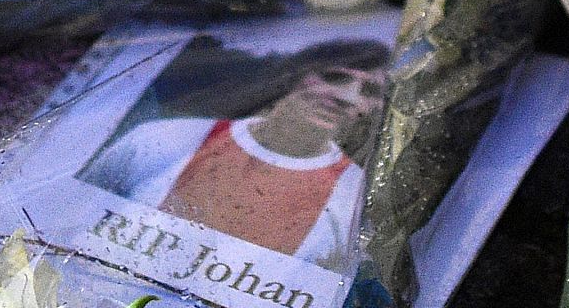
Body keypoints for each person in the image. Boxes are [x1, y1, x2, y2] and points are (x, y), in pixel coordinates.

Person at [77, 40, 389, 268]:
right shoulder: (160, 138)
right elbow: (71, 217)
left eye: (369, 92)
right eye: (334, 77)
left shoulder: (356, 202)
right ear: (294, 75)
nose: (346, 97)